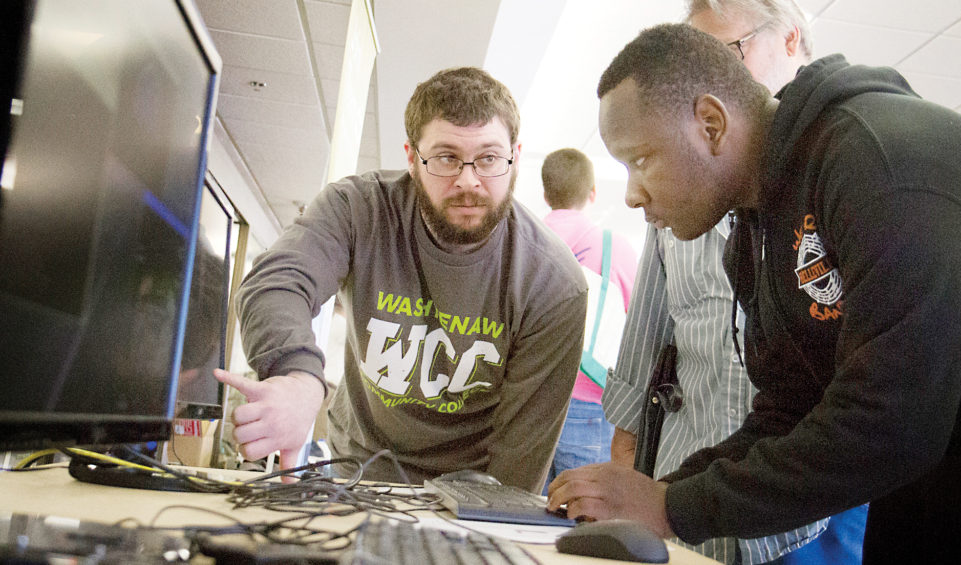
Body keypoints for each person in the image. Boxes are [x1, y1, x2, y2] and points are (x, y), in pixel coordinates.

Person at [547, 22, 961, 564]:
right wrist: (660, 494)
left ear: (710, 123)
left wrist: (675, 505)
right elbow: (793, 407)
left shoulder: (881, 165)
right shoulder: (757, 228)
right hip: (941, 462)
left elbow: (893, 423)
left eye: (640, 160)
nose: (632, 194)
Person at [216, 67, 589, 493]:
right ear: (412, 159)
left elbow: (518, 462)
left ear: (515, 157)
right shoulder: (357, 209)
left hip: (468, 486)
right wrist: (297, 375)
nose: (469, 180)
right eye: (446, 157)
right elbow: (277, 280)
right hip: (356, 466)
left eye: (488, 158)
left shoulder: (554, 283)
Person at [601, 1, 866, 563]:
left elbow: (873, 406)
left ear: (792, 39)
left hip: (809, 513)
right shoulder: (677, 203)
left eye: (723, 54)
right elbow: (645, 341)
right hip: (692, 480)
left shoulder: (849, 181)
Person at [539, 148, 638, 491]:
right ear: (592, 192)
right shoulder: (615, 248)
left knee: (521, 509)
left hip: (530, 401)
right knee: (585, 512)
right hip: (590, 401)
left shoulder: (524, 242)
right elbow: (638, 326)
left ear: (545, 193)